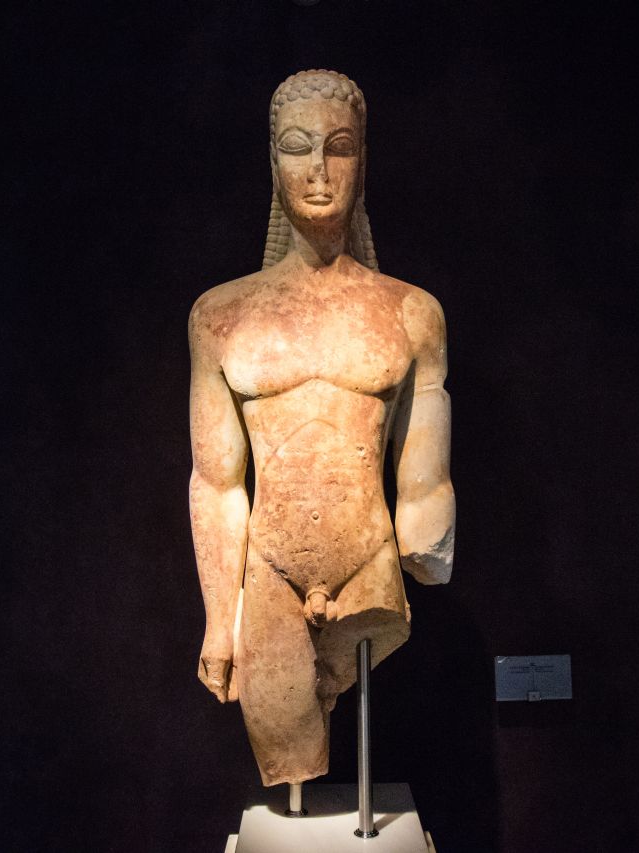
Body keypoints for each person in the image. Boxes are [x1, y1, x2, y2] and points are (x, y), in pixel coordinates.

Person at [188, 70, 455, 786]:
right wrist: (220, 618)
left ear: (362, 160)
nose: (318, 169)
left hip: (370, 568)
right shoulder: (221, 317)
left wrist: (427, 535)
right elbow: (217, 484)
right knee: (289, 765)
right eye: (296, 146)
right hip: (270, 575)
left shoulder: (411, 314)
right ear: (272, 161)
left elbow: (425, 486)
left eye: (338, 148)